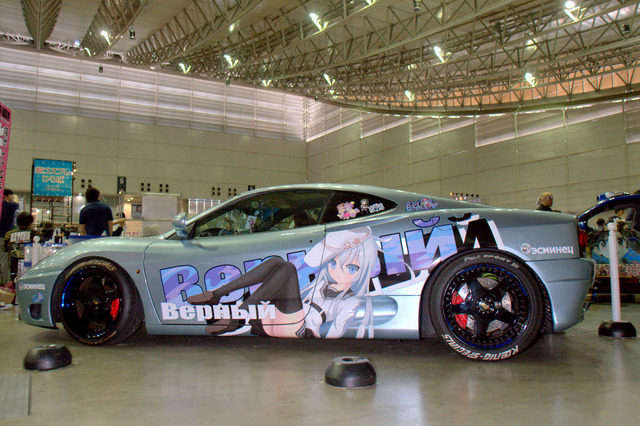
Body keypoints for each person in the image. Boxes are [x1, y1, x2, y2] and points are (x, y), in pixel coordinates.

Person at [188, 227, 412, 339]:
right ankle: (218, 294)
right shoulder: (320, 283)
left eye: (351, 268)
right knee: (276, 262)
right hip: (279, 317)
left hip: (298, 327)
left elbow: (336, 332)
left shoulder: (350, 301)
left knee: (287, 269)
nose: (338, 271)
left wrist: (313, 335)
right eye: (333, 263)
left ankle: (238, 316)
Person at [3, 212, 41, 289]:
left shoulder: (9, 234)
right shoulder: (36, 234)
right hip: (29, 267)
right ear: (30, 222)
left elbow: (5, 249)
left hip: (13, 267)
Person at [0, 189, 19, 286]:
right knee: (4, 261)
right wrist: (15, 197)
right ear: (6, 196)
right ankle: (5, 283)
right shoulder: (8, 206)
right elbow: (16, 204)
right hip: (3, 237)